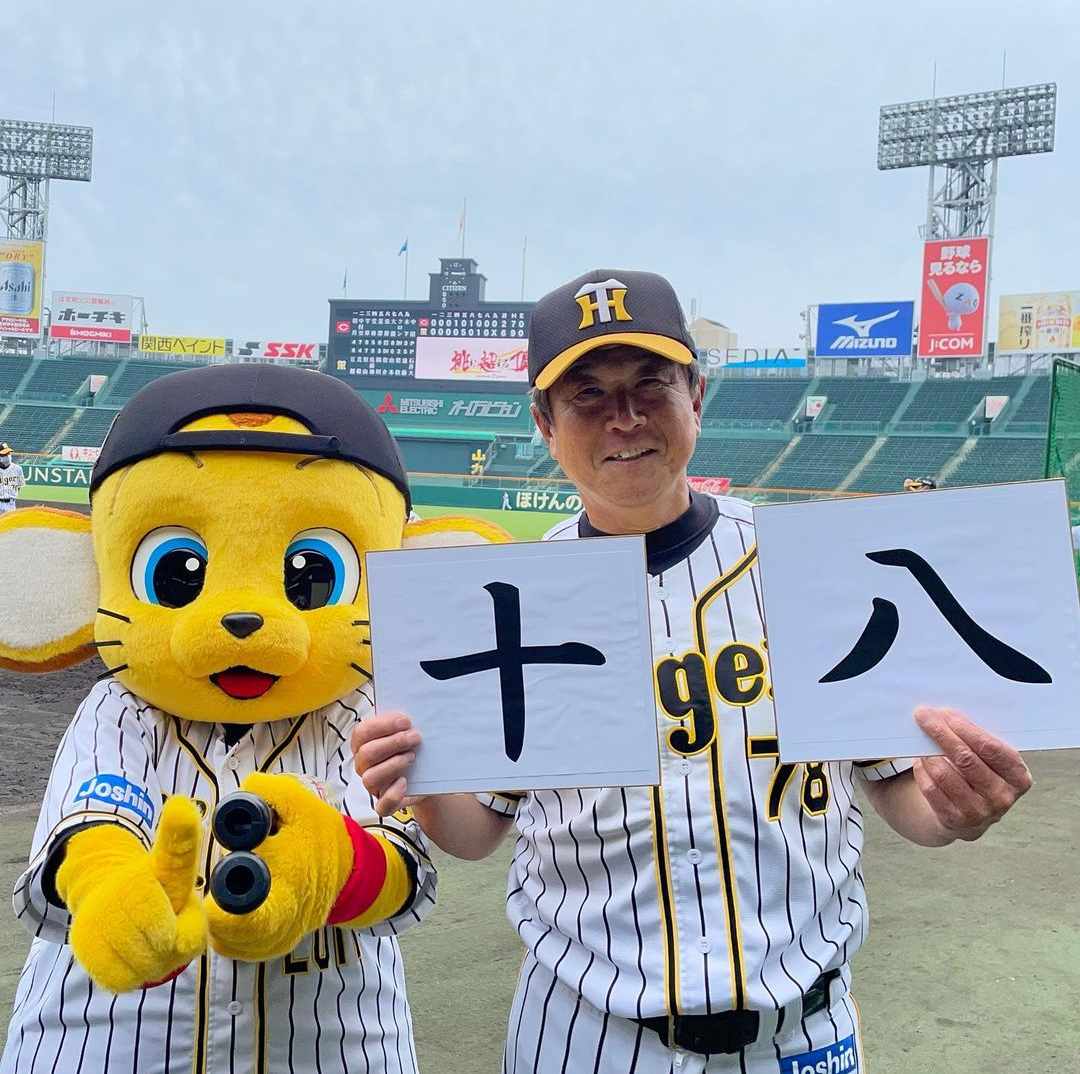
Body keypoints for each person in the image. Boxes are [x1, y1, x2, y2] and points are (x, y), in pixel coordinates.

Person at [353, 269, 1033, 1074]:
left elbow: (895, 787)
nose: (625, 418)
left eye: (651, 385)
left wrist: (954, 806)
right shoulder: (512, 600)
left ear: (696, 397)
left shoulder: (812, 566)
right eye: (587, 396)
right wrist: (423, 785)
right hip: (585, 1035)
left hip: (803, 1032)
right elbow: (476, 834)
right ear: (543, 422)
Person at [0, 443, 25, 512]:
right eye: (4, 454)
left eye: (8, 453)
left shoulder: (18, 469)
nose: (8, 456)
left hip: (11, 504)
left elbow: (19, 486)